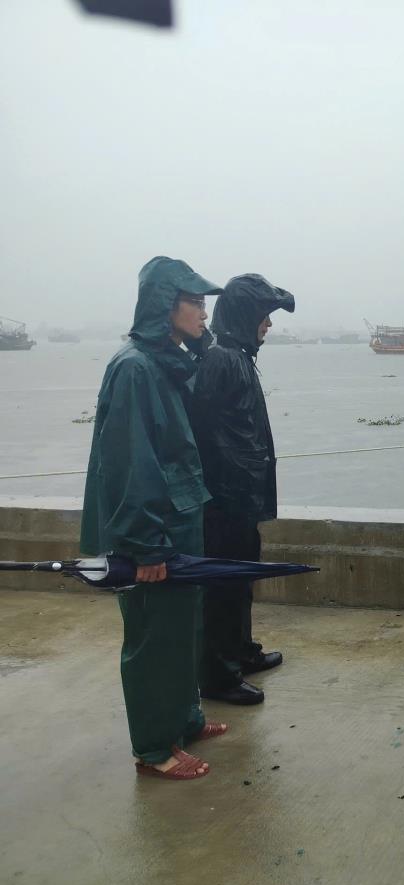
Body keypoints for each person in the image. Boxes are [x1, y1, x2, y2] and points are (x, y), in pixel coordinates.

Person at [81, 256, 227, 780]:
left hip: (179, 520)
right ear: (166, 305)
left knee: (183, 628)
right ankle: (154, 747)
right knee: (154, 637)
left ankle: (184, 719)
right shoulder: (135, 368)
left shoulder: (164, 362)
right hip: (153, 531)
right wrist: (143, 545)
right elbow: (130, 463)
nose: (205, 313)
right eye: (196, 303)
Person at [190, 274, 295, 705]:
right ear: (245, 316)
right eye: (264, 315)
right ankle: (219, 676)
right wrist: (223, 494)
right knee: (223, 587)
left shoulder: (236, 357)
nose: (268, 324)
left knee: (241, 579)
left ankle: (240, 651)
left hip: (241, 497)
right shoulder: (223, 360)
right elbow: (204, 432)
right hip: (225, 500)